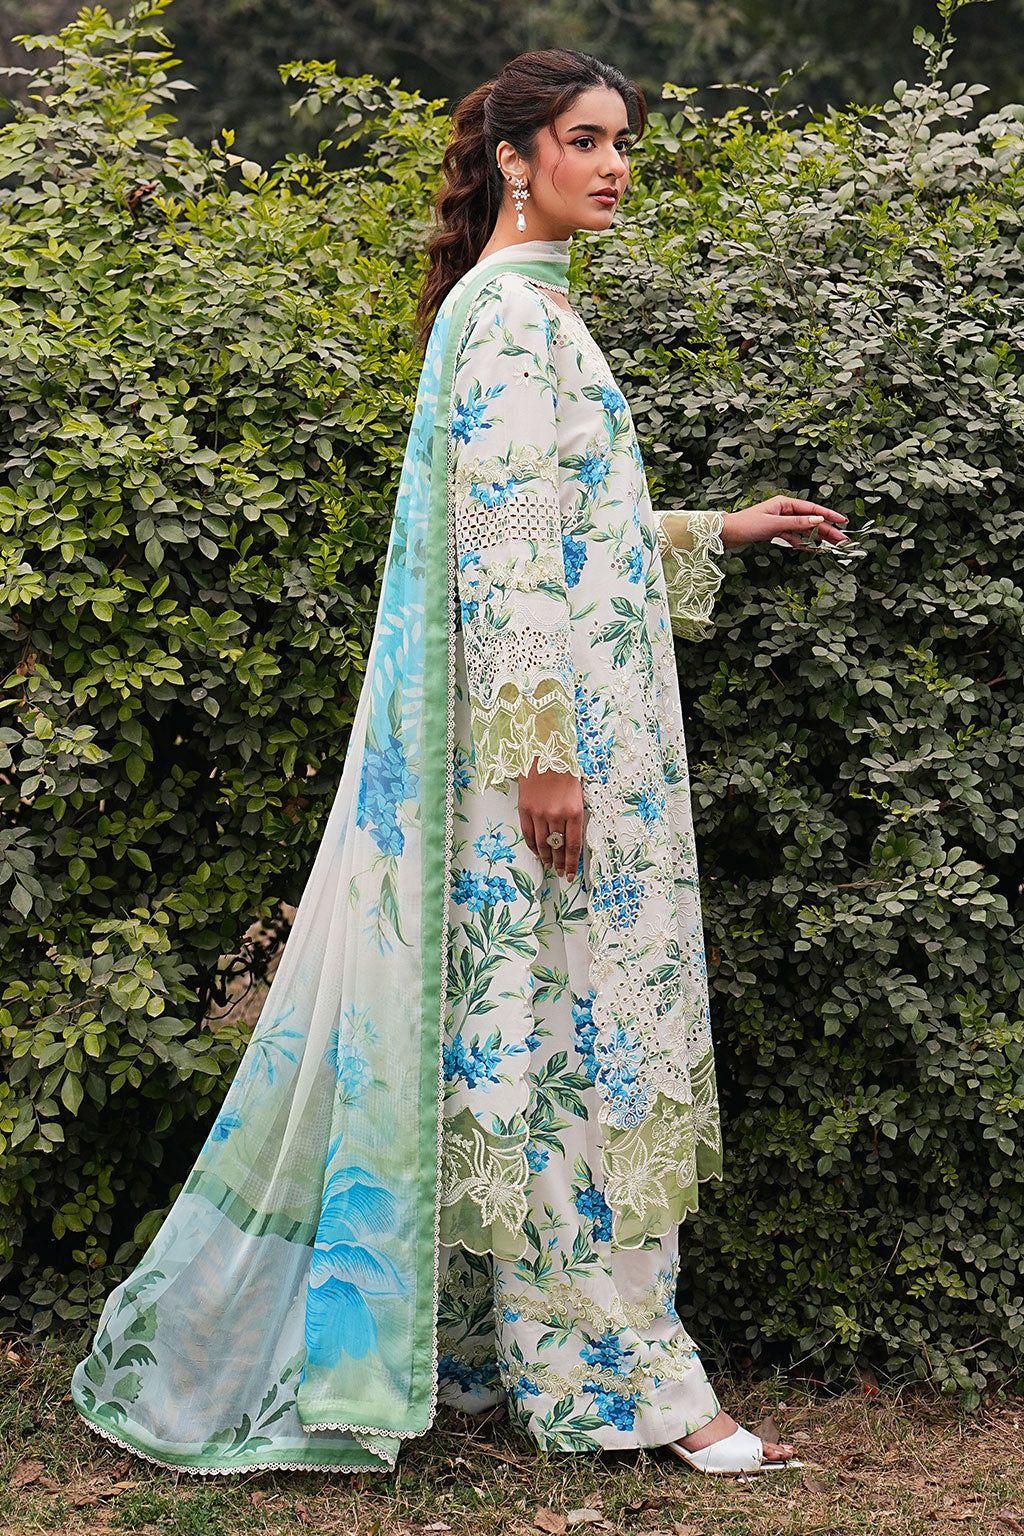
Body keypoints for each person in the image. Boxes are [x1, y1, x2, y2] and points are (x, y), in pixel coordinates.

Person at [72, 48, 848, 1478]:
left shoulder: (526, 310)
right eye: (586, 140)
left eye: (624, 143)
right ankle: (626, 1379)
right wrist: (545, 759)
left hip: (582, 740)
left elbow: (563, 523)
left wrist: (715, 530)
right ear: (513, 156)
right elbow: (501, 558)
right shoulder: (507, 319)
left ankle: (512, 1356)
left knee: (547, 1034)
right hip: (550, 760)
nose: (614, 166)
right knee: (572, 1046)